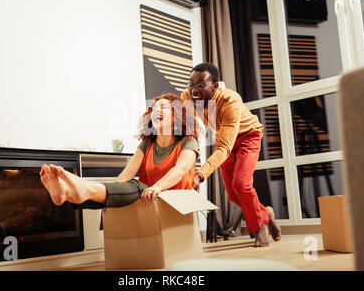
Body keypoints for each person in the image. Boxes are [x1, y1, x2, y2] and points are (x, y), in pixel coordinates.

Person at [180, 62, 281, 247]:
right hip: (224, 138)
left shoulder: (229, 101)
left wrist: (200, 174)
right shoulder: (187, 96)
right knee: (233, 195)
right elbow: (185, 129)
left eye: (200, 85)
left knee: (241, 184)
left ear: (215, 86)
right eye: (191, 84)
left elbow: (224, 149)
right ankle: (266, 214)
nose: (194, 90)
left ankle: (259, 227)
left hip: (247, 136)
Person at [40, 93, 199, 209]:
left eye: (163, 107)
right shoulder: (147, 143)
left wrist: (157, 187)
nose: (156, 110)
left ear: (177, 115)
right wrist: (109, 193)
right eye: (154, 108)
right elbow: (127, 174)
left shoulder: (188, 141)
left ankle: (84, 188)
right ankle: (67, 194)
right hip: (149, 199)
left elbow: (181, 169)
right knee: (121, 189)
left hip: (174, 200)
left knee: (136, 186)